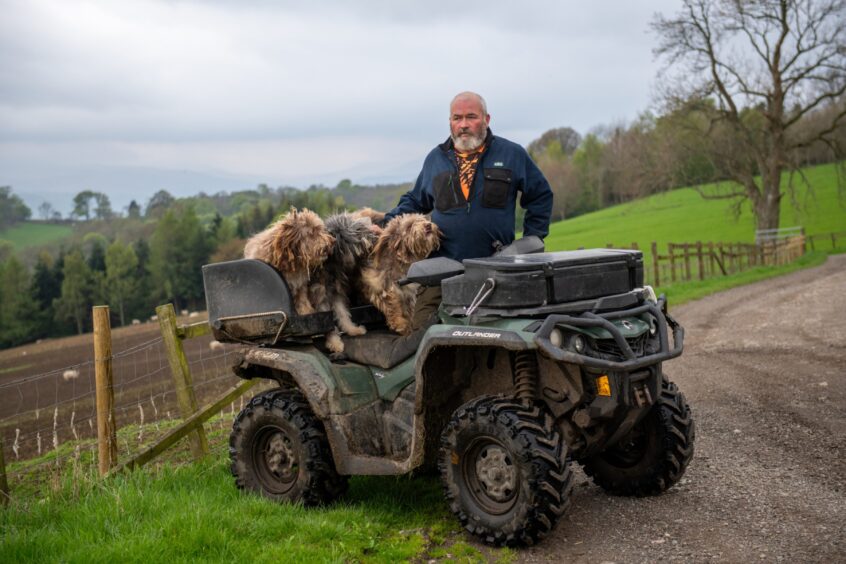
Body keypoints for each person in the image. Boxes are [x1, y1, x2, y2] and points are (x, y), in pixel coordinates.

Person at [382, 91, 554, 329]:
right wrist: (385, 223)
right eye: (457, 118)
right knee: (421, 339)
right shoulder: (436, 159)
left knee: (497, 337)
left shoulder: (511, 154)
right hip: (442, 273)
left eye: (471, 117)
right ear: (450, 122)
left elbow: (541, 194)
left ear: (486, 119)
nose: (463, 125)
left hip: (495, 272)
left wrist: (531, 240)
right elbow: (415, 200)